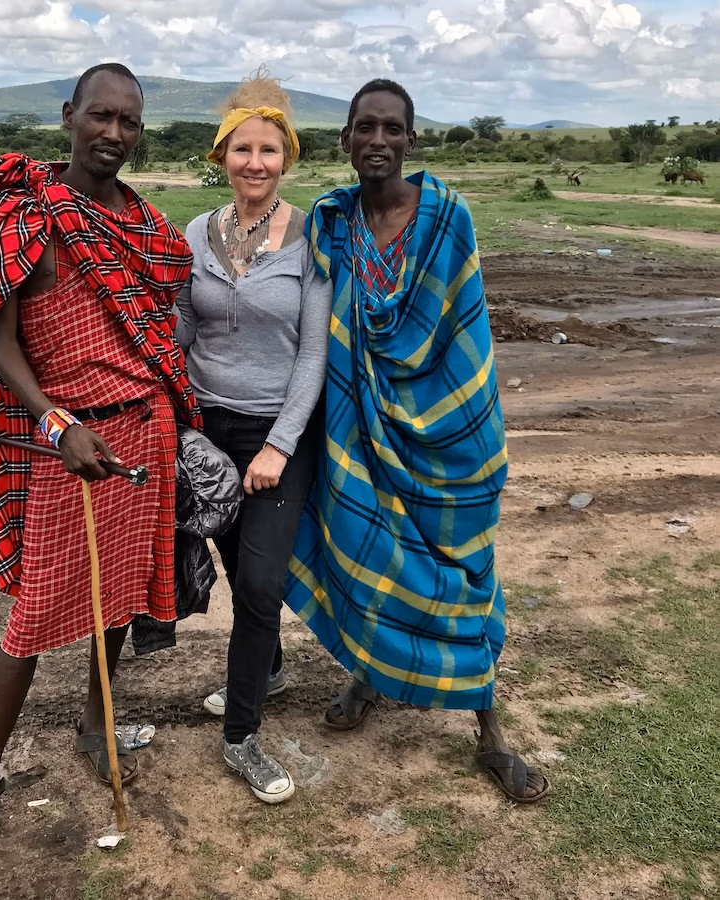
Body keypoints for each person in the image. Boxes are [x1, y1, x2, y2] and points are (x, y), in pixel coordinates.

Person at [0, 63, 200, 874]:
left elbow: (163, 323)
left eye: (130, 123)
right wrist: (55, 421)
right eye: (101, 117)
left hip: (144, 436)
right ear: (69, 115)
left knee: (117, 600)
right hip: (67, 443)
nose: (115, 134)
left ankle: (94, 724)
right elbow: (1, 341)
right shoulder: (25, 217)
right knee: (37, 612)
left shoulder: (147, 227)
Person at [285, 79, 549, 803]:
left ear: (410, 139)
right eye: (363, 127)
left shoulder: (446, 217)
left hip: (448, 438)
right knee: (370, 555)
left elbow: (465, 329)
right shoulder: (330, 221)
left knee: (465, 572)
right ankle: (369, 674)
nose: (376, 140)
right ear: (343, 139)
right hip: (361, 432)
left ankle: (489, 733)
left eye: (391, 128)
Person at [174, 74, 333, 804]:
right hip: (207, 430)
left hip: (280, 432)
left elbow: (312, 353)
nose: (256, 162)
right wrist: (177, 426)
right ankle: (265, 669)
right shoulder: (195, 234)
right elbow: (180, 335)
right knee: (239, 570)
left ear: (286, 158)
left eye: (270, 150)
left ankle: (241, 738)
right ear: (223, 155)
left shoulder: (312, 237)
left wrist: (278, 446)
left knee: (263, 584)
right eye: (243, 148)